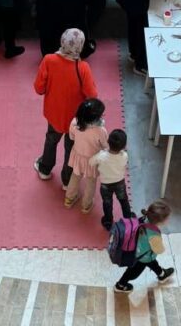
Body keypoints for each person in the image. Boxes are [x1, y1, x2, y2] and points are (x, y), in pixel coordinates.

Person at [34, 29, 98, 188]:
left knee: (51, 140)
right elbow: (92, 95)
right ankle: (67, 181)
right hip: (75, 119)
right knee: (71, 149)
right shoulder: (83, 68)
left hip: (54, 113)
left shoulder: (49, 60)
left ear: (62, 41)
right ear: (81, 46)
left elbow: (38, 88)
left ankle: (45, 169)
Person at [114, 201, 175, 293]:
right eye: (167, 218)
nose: (169, 219)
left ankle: (162, 275)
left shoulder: (143, 219)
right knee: (133, 272)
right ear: (161, 221)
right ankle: (120, 285)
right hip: (142, 256)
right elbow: (159, 250)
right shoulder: (154, 235)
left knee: (153, 263)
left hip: (138, 250)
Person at [65, 98, 108, 213]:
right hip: (92, 160)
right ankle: (86, 205)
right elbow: (105, 145)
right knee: (91, 182)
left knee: (74, 177)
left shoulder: (75, 123)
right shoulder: (100, 131)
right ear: (96, 118)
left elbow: (71, 137)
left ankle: (69, 198)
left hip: (78, 156)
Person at [90, 129, 131, 230]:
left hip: (105, 185)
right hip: (120, 183)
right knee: (124, 201)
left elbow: (91, 162)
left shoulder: (101, 156)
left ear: (108, 141)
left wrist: (101, 152)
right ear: (124, 146)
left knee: (107, 203)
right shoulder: (124, 156)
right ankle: (128, 217)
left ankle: (108, 221)